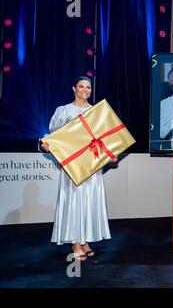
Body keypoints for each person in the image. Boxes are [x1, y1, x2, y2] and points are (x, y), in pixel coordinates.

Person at [40, 76, 115, 261]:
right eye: (81, 86)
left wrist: (111, 153)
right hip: (72, 166)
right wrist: (46, 145)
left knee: (89, 201)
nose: (85, 90)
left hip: (91, 165)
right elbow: (52, 136)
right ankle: (75, 242)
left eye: (88, 87)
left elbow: (105, 137)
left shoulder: (96, 112)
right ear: (74, 88)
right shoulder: (64, 110)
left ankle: (85, 241)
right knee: (74, 201)